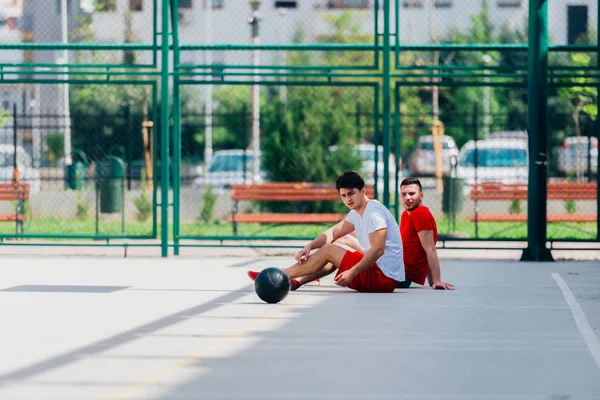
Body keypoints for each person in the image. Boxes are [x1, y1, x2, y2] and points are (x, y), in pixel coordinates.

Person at [248, 170, 405, 293]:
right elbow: (334, 232)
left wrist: (351, 272)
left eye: (351, 193)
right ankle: (298, 281)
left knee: (330, 250)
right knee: (340, 241)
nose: (348, 199)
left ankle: (278, 275)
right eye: (343, 195)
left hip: (382, 279)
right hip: (380, 273)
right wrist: (309, 246)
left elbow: (378, 250)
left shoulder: (373, 213)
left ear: (363, 191)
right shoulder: (358, 211)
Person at [398, 177, 454, 290]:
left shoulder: (420, 215)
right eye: (404, 194)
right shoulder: (406, 214)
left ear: (421, 196)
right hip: (396, 268)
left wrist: (436, 280)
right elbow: (419, 248)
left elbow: (430, 249)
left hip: (401, 275)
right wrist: (432, 281)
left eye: (411, 193)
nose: (407, 198)